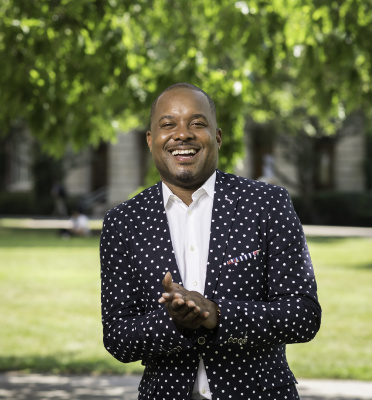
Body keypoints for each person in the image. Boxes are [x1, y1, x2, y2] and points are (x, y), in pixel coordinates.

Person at [100, 83, 321, 400]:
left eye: (197, 123)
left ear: (217, 136)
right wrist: (175, 322)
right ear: (151, 141)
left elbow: (303, 316)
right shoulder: (123, 222)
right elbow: (118, 338)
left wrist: (217, 315)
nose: (182, 134)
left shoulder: (266, 203)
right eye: (168, 125)